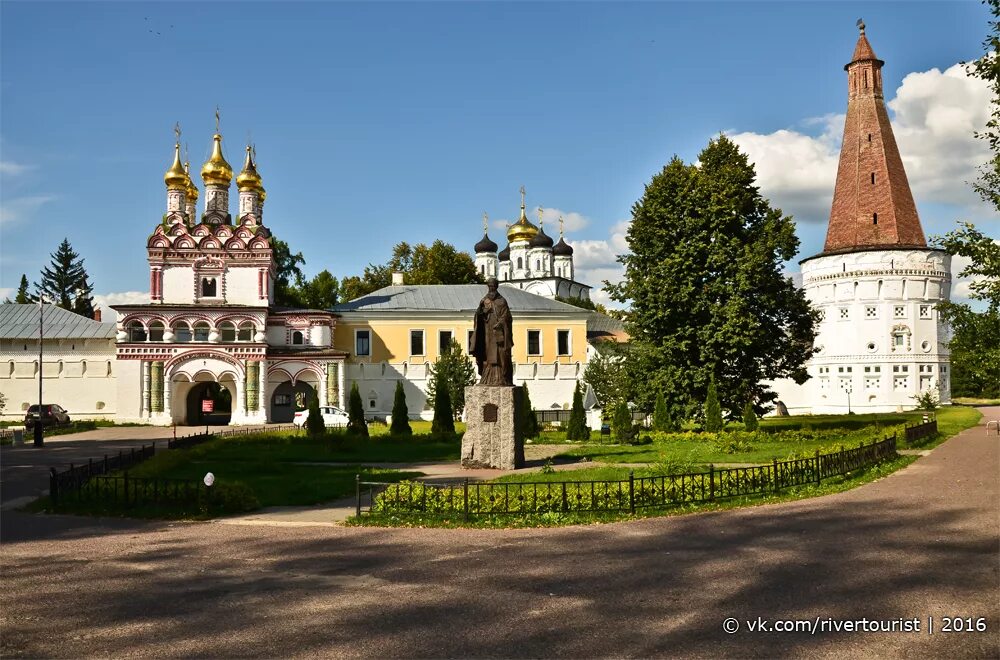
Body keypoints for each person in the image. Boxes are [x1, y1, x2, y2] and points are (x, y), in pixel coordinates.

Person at [471, 278, 513, 386]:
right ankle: (487, 378)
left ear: (497, 286)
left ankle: (502, 378)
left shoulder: (502, 301)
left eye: (493, 286)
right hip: (487, 332)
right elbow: (478, 316)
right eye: (490, 286)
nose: (491, 288)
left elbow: (507, 317)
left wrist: (501, 323)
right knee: (487, 354)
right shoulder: (484, 300)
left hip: (499, 333)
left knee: (501, 354)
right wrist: (482, 311)